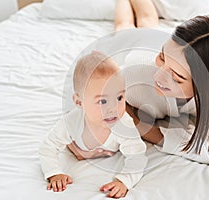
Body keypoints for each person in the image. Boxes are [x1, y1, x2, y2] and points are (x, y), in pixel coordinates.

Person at [68, 15, 209, 164]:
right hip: (130, 52)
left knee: (147, 20)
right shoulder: (134, 78)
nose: (159, 77)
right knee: (126, 26)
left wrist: (137, 121)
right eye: (162, 57)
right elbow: (85, 103)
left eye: (176, 77)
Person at [39, 52, 147, 198]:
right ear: (79, 102)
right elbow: (48, 147)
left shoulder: (123, 124)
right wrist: (54, 173)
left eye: (119, 97)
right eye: (102, 101)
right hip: (78, 144)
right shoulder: (71, 122)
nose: (113, 108)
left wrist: (124, 181)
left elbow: (137, 156)